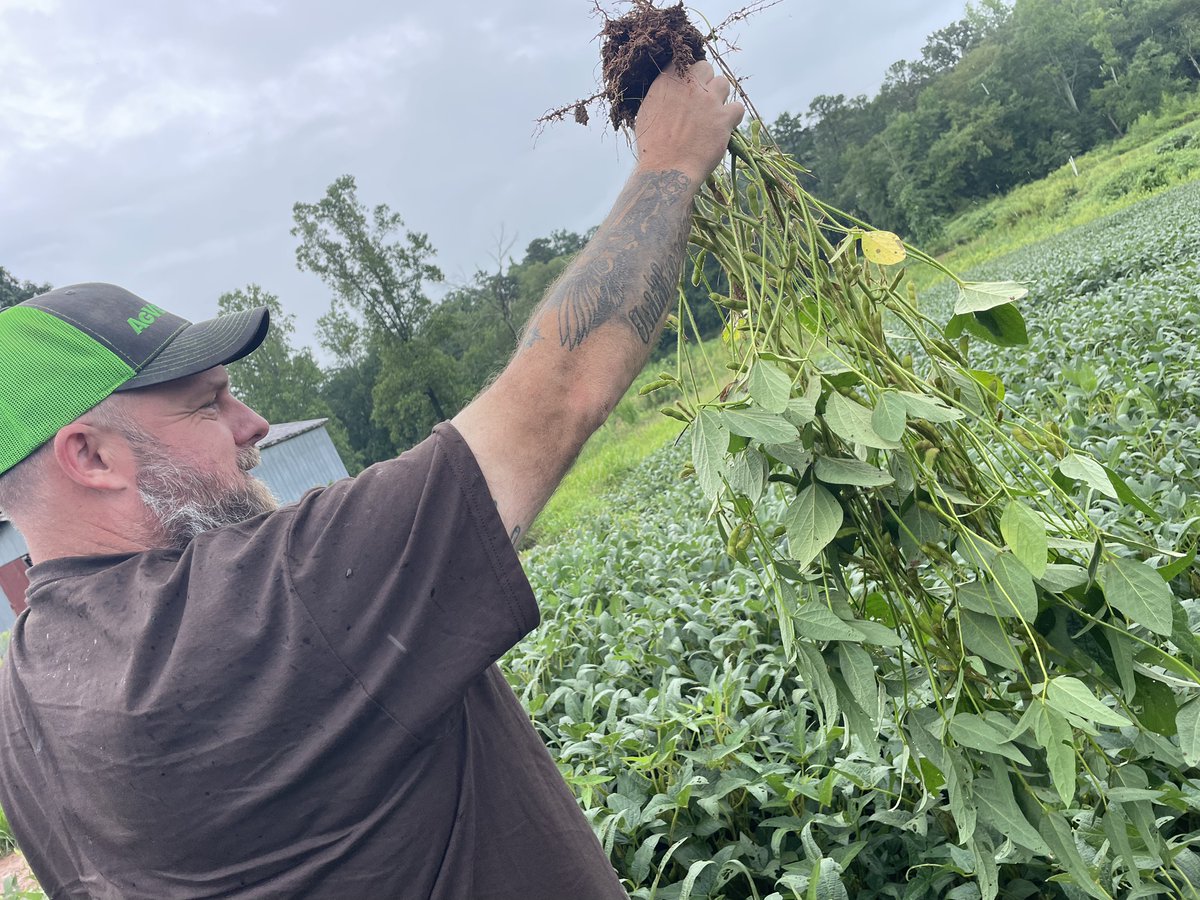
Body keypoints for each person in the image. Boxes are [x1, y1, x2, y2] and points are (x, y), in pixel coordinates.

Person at [0, 60, 743, 898]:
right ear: (89, 456)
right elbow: (557, 395)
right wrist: (672, 164)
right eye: (208, 406)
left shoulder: (24, 704)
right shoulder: (268, 605)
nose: (252, 430)